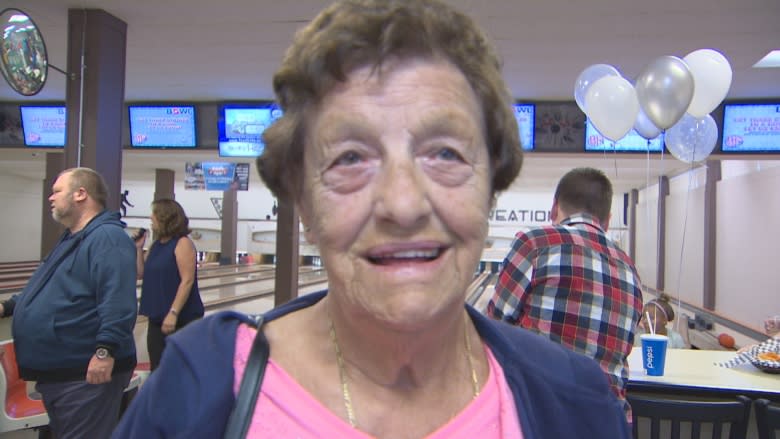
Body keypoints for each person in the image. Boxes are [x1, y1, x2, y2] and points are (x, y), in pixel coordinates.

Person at [113, 1, 630, 438]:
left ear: (491, 189)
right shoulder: (196, 386)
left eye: (446, 154)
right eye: (350, 159)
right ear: (305, 205)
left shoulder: (577, 403)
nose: (402, 205)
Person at [487, 167, 643, 423]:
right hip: (609, 425)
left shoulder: (536, 243)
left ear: (554, 208)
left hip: (542, 418)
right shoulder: (630, 269)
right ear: (607, 220)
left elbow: (493, 329)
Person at [0, 167, 138, 438]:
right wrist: (8, 306)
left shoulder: (107, 238)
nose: (50, 198)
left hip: (85, 373)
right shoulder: (73, 238)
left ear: (80, 194)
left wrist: (104, 351)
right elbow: (45, 288)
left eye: (56, 191)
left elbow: (118, 301)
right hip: (64, 372)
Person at [135, 198, 204, 371]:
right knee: (157, 370)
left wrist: (173, 312)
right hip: (157, 317)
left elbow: (187, 280)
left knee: (180, 370)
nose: (151, 217)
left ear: (166, 217)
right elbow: (140, 273)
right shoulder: (156, 245)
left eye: (155, 214)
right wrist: (138, 249)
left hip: (181, 319)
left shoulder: (183, 243)